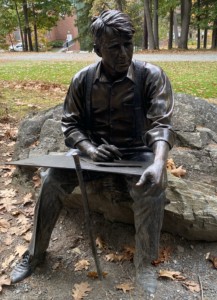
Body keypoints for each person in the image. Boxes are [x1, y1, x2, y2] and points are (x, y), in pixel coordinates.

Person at [11, 10, 176, 293]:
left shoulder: (152, 77)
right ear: (98, 49)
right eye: (114, 47)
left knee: (151, 190)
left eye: (128, 44)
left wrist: (159, 162)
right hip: (92, 154)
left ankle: (145, 264)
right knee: (51, 180)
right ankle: (35, 254)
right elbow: (70, 124)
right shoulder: (83, 80)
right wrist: (89, 148)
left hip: (137, 153)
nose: (123, 53)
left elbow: (162, 124)